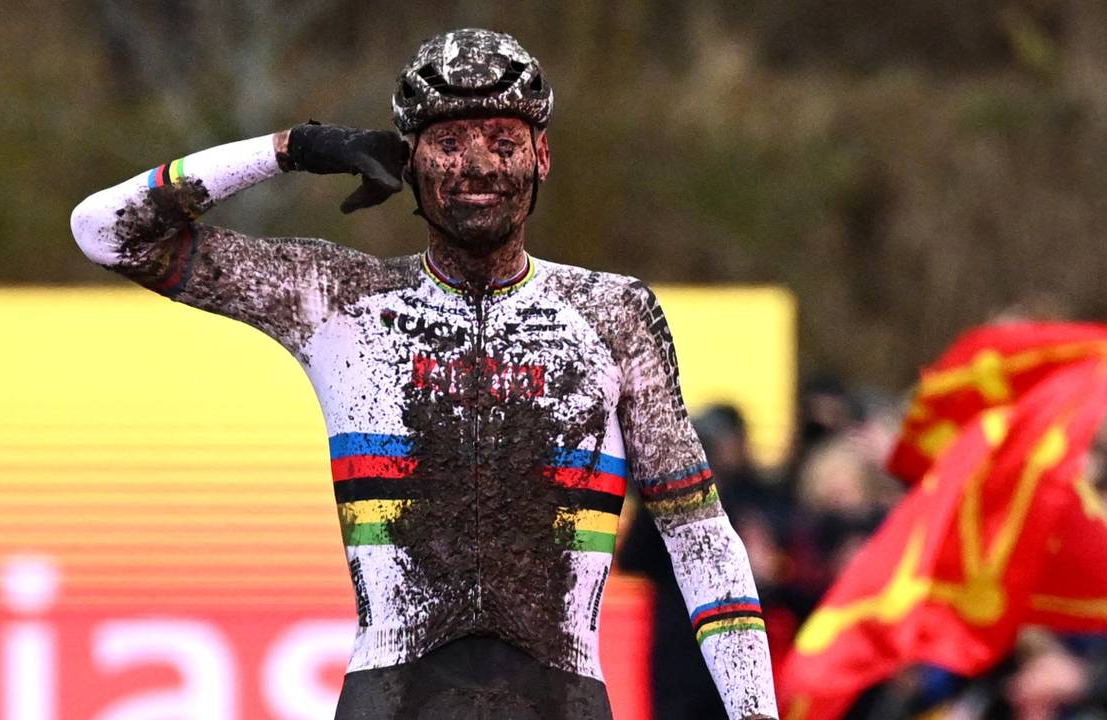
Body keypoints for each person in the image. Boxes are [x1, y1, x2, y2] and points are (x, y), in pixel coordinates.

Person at [71, 28, 777, 720]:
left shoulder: (614, 313)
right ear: (408, 162)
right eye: (447, 143)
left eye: (503, 141)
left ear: (542, 157)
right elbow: (106, 230)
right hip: (391, 694)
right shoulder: (339, 298)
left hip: (560, 697)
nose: (476, 164)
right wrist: (292, 149)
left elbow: (699, 535)